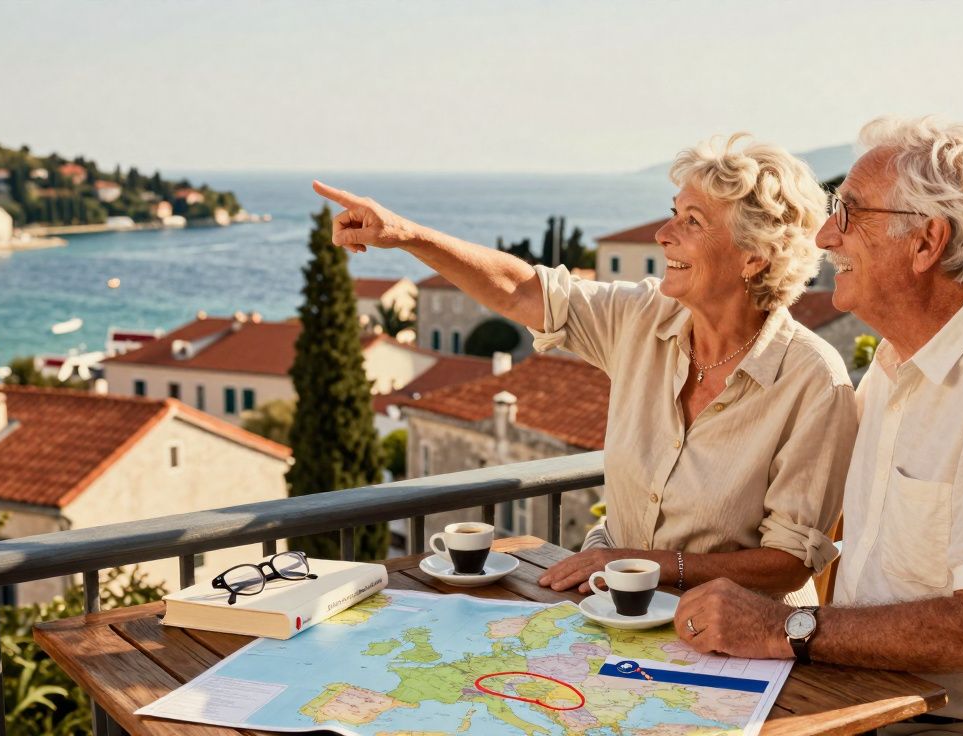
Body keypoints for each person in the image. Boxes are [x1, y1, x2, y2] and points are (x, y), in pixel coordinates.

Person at [674, 117, 963, 733]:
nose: (825, 235)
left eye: (849, 212)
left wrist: (781, 626)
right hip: (884, 697)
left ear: (926, 242)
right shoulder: (898, 360)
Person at [313, 133, 857, 602]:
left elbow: (789, 563)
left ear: (754, 256)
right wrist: (405, 234)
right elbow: (523, 291)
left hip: (741, 638)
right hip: (613, 607)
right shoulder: (643, 317)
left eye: (692, 221)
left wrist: (643, 565)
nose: (664, 234)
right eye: (673, 212)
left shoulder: (812, 380)